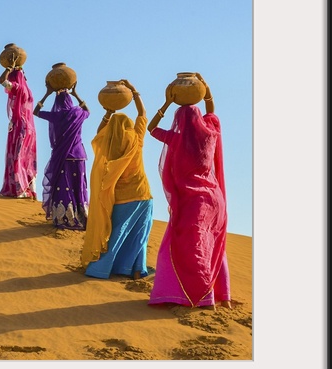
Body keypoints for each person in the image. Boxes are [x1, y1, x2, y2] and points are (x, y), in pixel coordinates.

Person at [147, 73, 232, 308]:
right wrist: (207, 91)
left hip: (194, 201)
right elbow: (212, 113)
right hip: (215, 200)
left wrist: (166, 103)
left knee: (185, 247)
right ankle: (222, 297)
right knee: (214, 243)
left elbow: (151, 128)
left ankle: (203, 298)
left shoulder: (176, 139)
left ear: (179, 120)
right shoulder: (210, 134)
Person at [81, 79, 154, 280]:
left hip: (120, 197)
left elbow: (99, 133)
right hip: (141, 194)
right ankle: (136, 270)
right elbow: (142, 114)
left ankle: (101, 268)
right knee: (140, 234)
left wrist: (108, 111)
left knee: (116, 234)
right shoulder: (136, 140)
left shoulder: (108, 146)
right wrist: (134, 90)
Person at [33, 80, 90, 229]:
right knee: (78, 186)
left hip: (64, 157)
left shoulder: (56, 116)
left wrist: (47, 94)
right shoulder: (78, 113)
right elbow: (88, 111)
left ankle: (66, 217)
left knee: (64, 186)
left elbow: (36, 112)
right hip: (79, 156)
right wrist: (76, 93)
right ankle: (83, 216)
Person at [0, 64, 37, 198]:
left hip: (20, 127)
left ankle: (19, 188)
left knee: (17, 156)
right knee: (26, 157)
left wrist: (8, 69)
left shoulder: (18, 88)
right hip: (29, 129)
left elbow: (2, 81)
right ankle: (29, 188)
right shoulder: (27, 91)